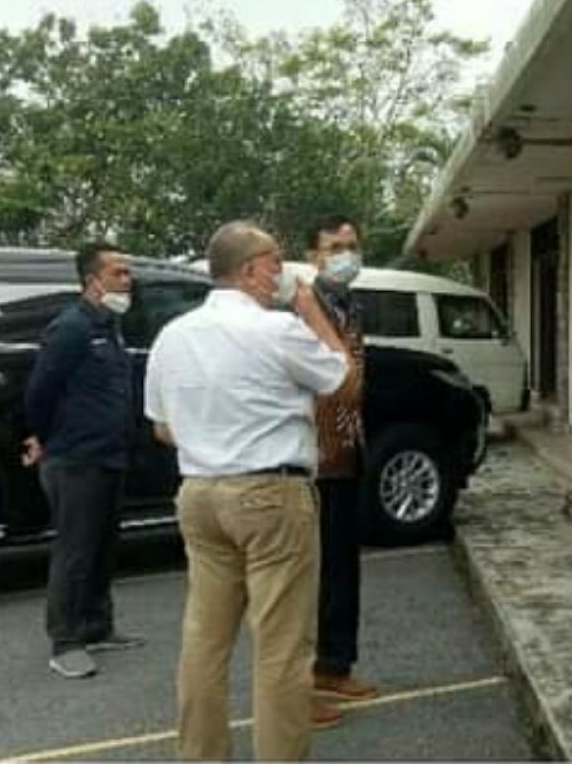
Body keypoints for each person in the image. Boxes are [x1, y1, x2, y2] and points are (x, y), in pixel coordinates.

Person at [145, 221, 352, 760]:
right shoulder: (275, 329)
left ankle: (201, 756)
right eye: (276, 262)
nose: (282, 273)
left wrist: (212, 428)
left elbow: (162, 427)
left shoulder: (173, 334)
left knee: (204, 641)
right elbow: (343, 380)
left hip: (200, 494)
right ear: (250, 270)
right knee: (281, 648)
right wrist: (313, 313)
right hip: (270, 494)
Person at [24, 242, 145, 680]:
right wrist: (41, 436)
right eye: (119, 273)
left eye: (127, 272)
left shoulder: (109, 325)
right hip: (75, 458)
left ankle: (97, 625)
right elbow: (40, 391)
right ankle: (65, 640)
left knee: (102, 546)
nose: (127, 280)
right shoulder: (71, 328)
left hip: (109, 456)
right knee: (75, 551)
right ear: (92, 280)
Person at [303, 215, 379, 705]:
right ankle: (307, 679)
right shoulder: (301, 310)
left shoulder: (351, 306)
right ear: (314, 256)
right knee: (314, 574)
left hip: (348, 453)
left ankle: (335, 665)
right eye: (334, 247)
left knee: (343, 568)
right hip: (313, 458)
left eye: (351, 246)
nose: (345, 255)